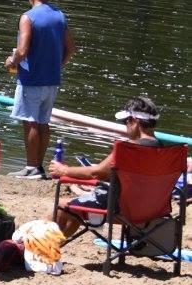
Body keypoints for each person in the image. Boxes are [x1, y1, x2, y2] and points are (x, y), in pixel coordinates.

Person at [49, 96, 162, 238]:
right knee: (74, 210)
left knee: (61, 205)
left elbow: (96, 173)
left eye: (126, 121)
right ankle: (56, 246)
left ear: (134, 121)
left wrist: (64, 170)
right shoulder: (162, 150)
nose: (126, 126)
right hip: (152, 209)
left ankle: (38, 248)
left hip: (120, 209)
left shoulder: (128, 148)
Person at [6, 0, 75, 178]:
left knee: (30, 122)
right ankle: (39, 167)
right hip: (52, 80)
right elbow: (71, 48)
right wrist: (57, 66)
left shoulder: (28, 17)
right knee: (43, 123)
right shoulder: (59, 15)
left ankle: (31, 167)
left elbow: (22, 51)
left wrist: (11, 61)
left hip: (32, 79)